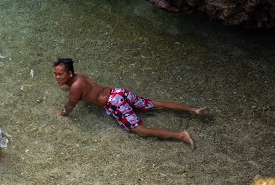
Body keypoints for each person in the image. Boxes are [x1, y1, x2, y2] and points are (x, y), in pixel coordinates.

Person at [53, 58, 208, 148]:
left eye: (60, 74)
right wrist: (65, 86)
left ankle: (181, 135)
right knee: (155, 104)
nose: (57, 77)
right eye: (55, 74)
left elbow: (70, 107)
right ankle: (193, 110)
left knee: (141, 131)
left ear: (69, 73)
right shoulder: (79, 76)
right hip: (119, 92)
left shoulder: (75, 88)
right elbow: (85, 89)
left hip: (114, 103)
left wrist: (62, 113)